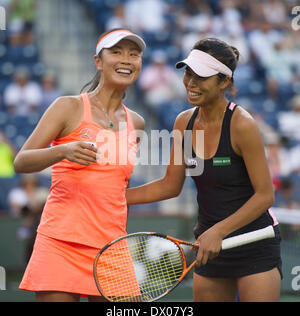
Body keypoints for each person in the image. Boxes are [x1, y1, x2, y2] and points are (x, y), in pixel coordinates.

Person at [126, 38, 282, 302]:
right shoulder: (183, 123)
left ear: (223, 82)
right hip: (209, 249)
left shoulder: (242, 125)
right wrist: (116, 197)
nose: (191, 82)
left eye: (201, 76)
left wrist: (219, 231)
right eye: (188, 73)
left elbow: (265, 195)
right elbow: (169, 185)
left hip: (254, 244)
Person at [14, 28, 146, 302]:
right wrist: (63, 150)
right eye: (117, 52)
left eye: (134, 54)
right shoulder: (67, 107)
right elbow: (21, 161)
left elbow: (121, 187)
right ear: (98, 61)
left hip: (111, 246)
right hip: (60, 242)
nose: (126, 59)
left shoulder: (138, 124)